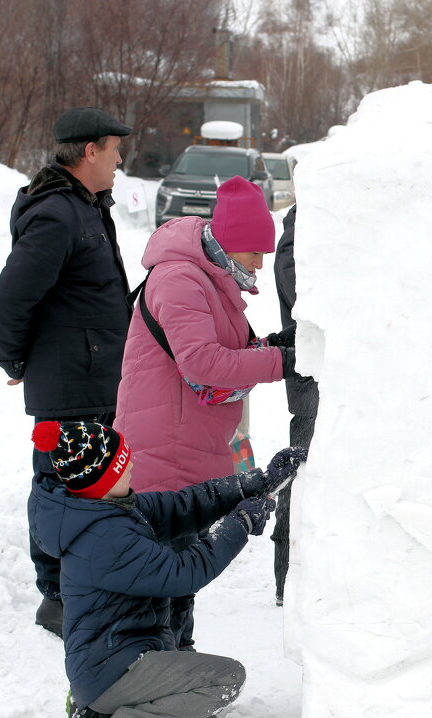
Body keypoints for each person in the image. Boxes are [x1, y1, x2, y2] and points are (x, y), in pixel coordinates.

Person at [28, 418, 306, 718]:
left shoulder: (109, 508)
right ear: (104, 479)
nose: (132, 465)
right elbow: (184, 572)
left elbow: (181, 506)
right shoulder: (104, 539)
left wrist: (254, 483)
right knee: (225, 678)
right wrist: (240, 523)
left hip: (129, 656)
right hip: (111, 667)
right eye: (123, 464)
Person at [114, 174, 295, 648]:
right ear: (230, 243)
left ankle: (180, 660)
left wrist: (270, 346)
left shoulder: (213, 279)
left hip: (187, 447)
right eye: (255, 251)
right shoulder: (180, 279)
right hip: (160, 450)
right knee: (164, 576)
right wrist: (281, 362)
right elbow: (203, 361)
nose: (260, 262)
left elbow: (225, 346)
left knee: (181, 574)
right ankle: (160, 673)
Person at [0, 107, 133, 637]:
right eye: (115, 150)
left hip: (92, 371)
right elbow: (10, 297)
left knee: (91, 484)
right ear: (90, 152)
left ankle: (83, 587)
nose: (120, 160)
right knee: (59, 484)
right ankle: (56, 596)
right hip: (71, 378)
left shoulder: (87, 208)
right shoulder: (57, 213)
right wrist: (13, 357)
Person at [270, 204, 319, 605]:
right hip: (311, 388)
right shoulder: (301, 231)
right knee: (300, 478)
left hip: (328, 384)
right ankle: (287, 578)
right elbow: (305, 295)